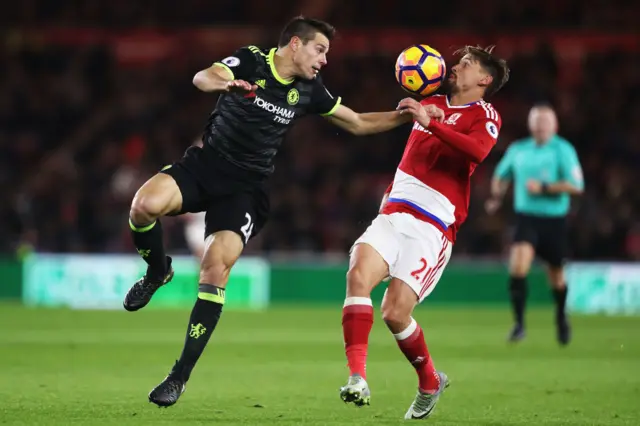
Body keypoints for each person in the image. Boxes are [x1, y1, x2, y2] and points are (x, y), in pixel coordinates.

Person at [123, 16, 413, 408]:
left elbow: (358, 122)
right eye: (320, 49)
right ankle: (158, 270)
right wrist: (225, 82)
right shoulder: (252, 61)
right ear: (296, 44)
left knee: (214, 269)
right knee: (143, 206)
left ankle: (178, 377)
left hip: (246, 189)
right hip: (206, 165)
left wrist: (405, 116)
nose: (324, 60)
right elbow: (202, 77)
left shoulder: (310, 90)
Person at [338, 45, 510, 420]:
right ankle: (357, 377)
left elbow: (477, 152)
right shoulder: (430, 100)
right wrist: (411, 113)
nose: (456, 66)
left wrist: (432, 122)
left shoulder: (486, 114)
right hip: (393, 210)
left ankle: (430, 381)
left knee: (395, 313)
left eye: (466, 64)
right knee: (357, 276)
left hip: (432, 226)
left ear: (484, 79)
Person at [485, 104, 584, 345]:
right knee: (518, 268)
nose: (540, 127)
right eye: (537, 122)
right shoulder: (519, 150)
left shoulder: (563, 150)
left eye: (545, 122)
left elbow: (576, 186)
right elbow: (501, 175)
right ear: (531, 125)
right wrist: (497, 195)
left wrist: (545, 188)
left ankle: (561, 317)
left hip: (554, 221)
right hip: (526, 218)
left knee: (557, 277)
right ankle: (519, 325)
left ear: (554, 125)